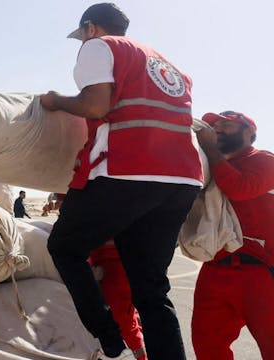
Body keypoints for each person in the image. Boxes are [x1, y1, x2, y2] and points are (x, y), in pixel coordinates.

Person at [40, 3, 203, 360]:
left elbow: (96, 105)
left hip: (128, 170)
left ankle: (108, 334)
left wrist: (56, 101)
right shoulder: (166, 63)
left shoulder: (100, 46)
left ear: (91, 28)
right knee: (151, 289)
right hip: (182, 179)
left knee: (65, 247)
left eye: (81, 35)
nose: (81, 41)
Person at [192, 111, 274, 360]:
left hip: (260, 272)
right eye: (214, 125)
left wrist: (208, 147)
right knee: (207, 347)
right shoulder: (207, 163)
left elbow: (240, 188)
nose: (217, 129)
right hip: (215, 268)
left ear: (249, 132)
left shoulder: (265, 160)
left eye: (226, 125)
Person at [90, 242, 147, 360]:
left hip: (115, 265)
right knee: (125, 320)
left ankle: (141, 357)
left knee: (124, 323)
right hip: (107, 261)